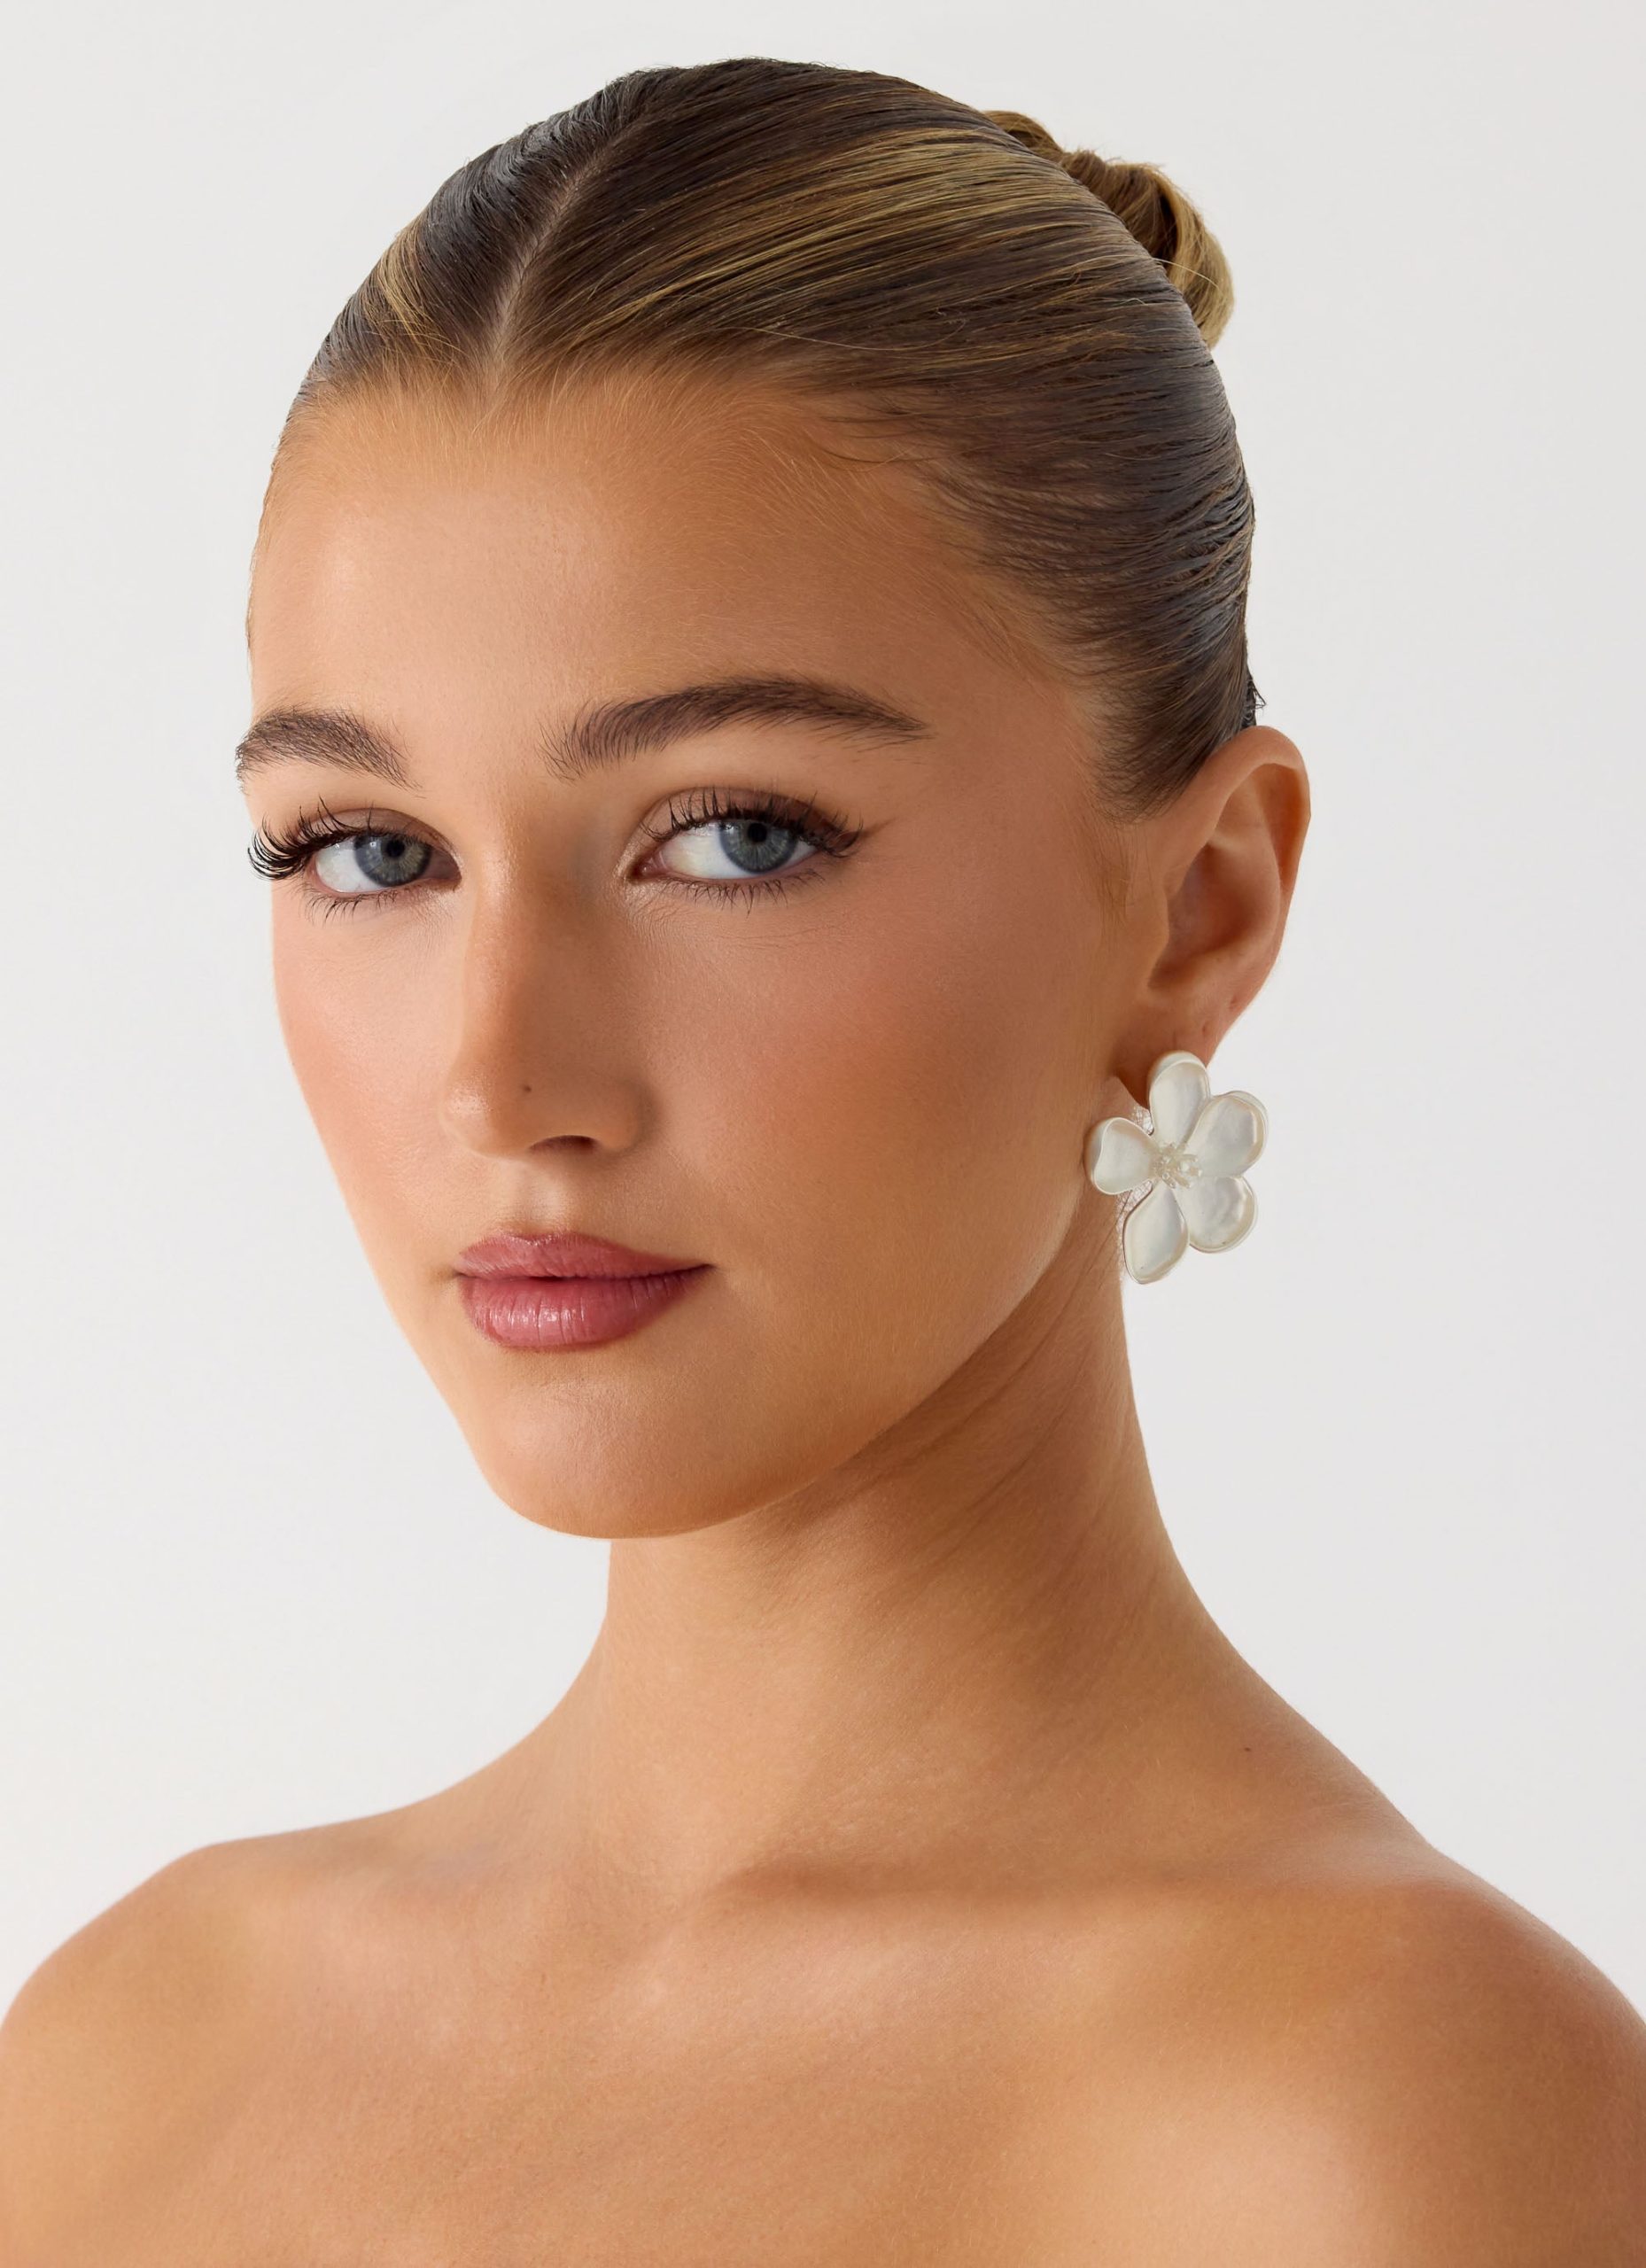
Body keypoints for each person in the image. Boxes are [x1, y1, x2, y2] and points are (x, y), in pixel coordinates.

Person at [3, 55, 1642, 2263]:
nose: (502, 1076)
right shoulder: (130, 2055)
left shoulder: (1380, 2121)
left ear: (1195, 908)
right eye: (371, 850)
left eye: (734, 836)